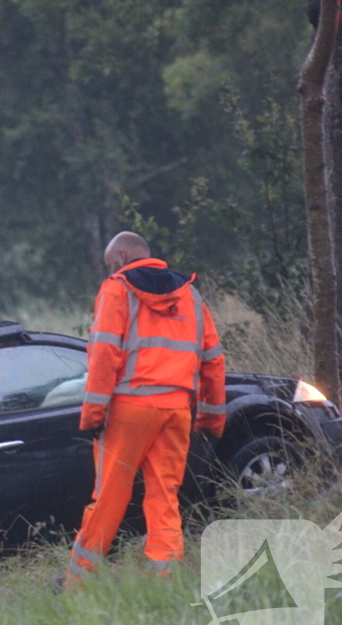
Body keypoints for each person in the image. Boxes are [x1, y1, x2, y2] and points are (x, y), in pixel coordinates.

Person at [66, 231, 225, 585]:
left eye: (111, 264)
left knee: (109, 495)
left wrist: (93, 414)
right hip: (177, 410)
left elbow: (104, 354)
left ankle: (78, 581)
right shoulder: (192, 296)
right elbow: (213, 360)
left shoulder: (116, 288)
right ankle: (165, 578)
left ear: (122, 257)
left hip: (130, 408)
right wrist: (212, 417)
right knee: (163, 495)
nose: (110, 269)